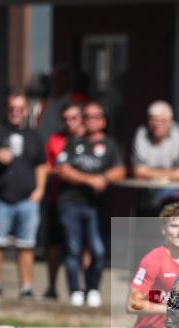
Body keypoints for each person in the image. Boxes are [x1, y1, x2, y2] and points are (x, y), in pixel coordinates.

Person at [56, 101, 127, 307]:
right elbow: (63, 169)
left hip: (96, 205)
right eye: (87, 117)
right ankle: (75, 291)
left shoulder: (110, 145)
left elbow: (120, 170)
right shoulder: (73, 142)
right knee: (72, 249)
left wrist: (103, 178)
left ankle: (93, 288)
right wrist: (90, 180)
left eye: (96, 117)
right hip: (70, 203)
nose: (91, 121)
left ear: (103, 121)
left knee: (97, 250)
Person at [0, 93, 47, 298]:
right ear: (6, 109)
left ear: (26, 111)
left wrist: (40, 190)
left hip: (28, 199)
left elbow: (42, 165)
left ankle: (26, 288)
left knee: (26, 246)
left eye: (20, 108)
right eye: (12, 108)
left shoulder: (34, 135)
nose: (16, 112)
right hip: (1, 197)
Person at [41, 102, 85, 299]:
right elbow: (47, 167)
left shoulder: (91, 141)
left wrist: (72, 174)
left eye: (74, 118)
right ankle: (52, 286)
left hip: (84, 200)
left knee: (83, 246)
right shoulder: (55, 139)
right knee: (55, 245)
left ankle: (84, 288)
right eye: (66, 119)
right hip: (58, 198)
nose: (70, 123)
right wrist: (60, 172)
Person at [131, 100, 179, 215]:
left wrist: (150, 172)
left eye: (162, 120)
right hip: (148, 195)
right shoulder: (141, 133)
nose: (157, 124)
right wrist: (172, 174)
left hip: (174, 196)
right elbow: (138, 172)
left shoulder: (178, 133)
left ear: (170, 121)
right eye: (153, 120)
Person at [36, 64, 88, 145]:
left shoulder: (77, 100)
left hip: (66, 147)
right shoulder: (44, 103)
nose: (57, 83)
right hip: (44, 148)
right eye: (55, 79)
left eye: (61, 79)